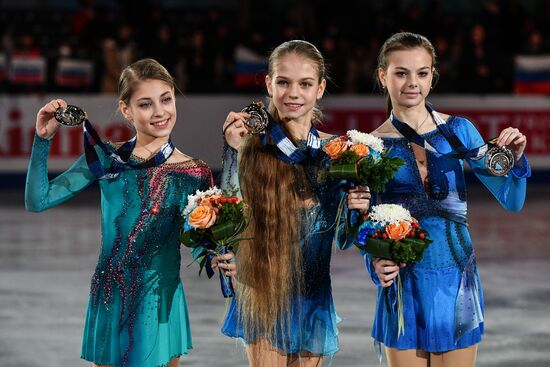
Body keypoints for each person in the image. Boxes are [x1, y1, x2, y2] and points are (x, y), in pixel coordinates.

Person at [25, 58, 236, 367]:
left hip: (159, 299)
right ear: (126, 110)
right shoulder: (106, 158)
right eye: (146, 104)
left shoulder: (194, 172)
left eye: (166, 99)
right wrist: (42, 140)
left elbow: (196, 239)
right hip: (112, 297)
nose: (160, 112)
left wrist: (218, 253)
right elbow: (37, 200)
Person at [364, 32, 530, 367]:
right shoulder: (370, 147)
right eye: (401, 73)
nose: (413, 83)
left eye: (422, 73)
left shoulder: (460, 131)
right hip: (403, 285)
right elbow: (364, 222)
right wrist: (375, 264)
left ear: (432, 76)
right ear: (383, 76)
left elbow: (512, 201)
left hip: (457, 281)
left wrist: (515, 162)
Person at [219, 39, 370, 366]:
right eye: (284, 82)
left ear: (321, 88)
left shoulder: (336, 152)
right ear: (269, 83)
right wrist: (232, 151)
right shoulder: (251, 145)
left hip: (314, 297)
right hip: (264, 294)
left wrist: (357, 208)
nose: (293, 93)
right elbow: (227, 217)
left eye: (305, 83)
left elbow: (344, 238)